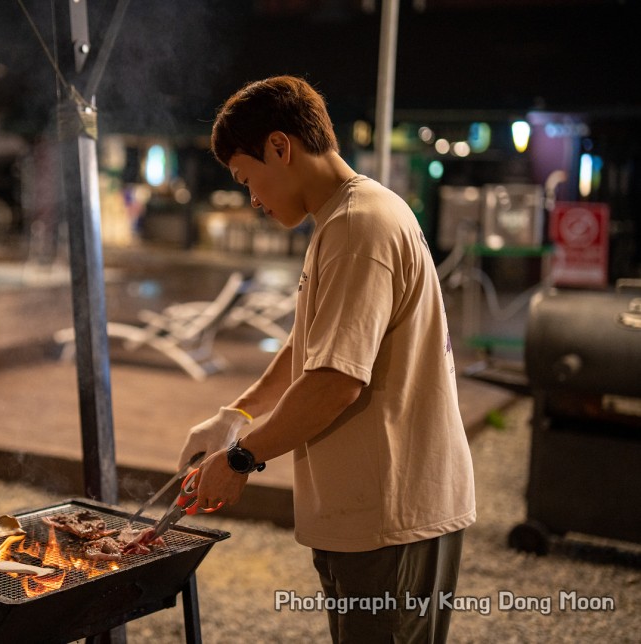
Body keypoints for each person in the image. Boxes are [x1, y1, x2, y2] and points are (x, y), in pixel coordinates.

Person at [178, 75, 475, 643]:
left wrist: (239, 459)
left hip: (392, 517)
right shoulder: (339, 220)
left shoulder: (360, 226)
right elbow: (312, 341)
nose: (254, 201)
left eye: (247, 179)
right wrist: (235, 414)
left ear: (280, 147)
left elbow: (335, 381)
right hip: (365, 510)